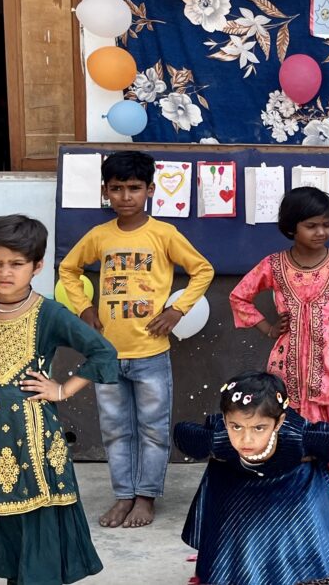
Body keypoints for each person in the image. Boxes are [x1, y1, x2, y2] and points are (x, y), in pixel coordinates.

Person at [0, 214, 118, 585]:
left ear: (37, 266)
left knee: (38, 508)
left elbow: (102, 352)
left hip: (36, 432)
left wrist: (62, 389)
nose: (5, 273)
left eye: (16, 264)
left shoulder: (50, 314)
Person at [59, 150, 215, 528]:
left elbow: (202, 270)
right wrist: (84, 308)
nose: (125, 196)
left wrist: (178, 311)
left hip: (151, 355)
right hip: (107, 356)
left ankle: (146, 498)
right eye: (116, 189)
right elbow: (68, 268)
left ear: (150, 189)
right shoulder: (99, 236)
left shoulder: (163, 234)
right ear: (105, 192)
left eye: (133, 188)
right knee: (115, 430)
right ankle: (123, 496)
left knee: (153, 429)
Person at [229, 187, 329, 495]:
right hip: (285, 364)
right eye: (311, 225)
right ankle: (290, 489)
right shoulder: (273, 266)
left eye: (327, 224)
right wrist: (267, 328)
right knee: (285, 419)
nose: (321, 232)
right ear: (291, 227)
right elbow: (240, 296)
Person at [175, 371, 329, 585]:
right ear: (225, 420)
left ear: (278, 423)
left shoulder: (296, 436)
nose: (246, 439)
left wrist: (304, 456)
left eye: (259, 428)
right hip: (238, 485)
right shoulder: (220, 436)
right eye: (236, 427)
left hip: (288, 487)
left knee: (308, 479)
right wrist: (215, 449)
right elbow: (183, 433)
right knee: (232, 508)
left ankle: (292, 565)